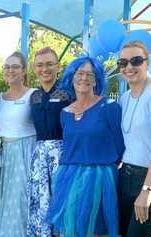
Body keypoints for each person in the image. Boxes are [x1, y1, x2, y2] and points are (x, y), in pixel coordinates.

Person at [46, 56, 124, 237]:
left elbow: (119, 146)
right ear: (71, 77)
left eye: (90, 74)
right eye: (80, 73)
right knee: (65, 230)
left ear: (96, 80)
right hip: (69, 177)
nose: (84, 78)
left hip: (99, 179)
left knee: (93, 232)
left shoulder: (110, 107)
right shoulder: (64, 113)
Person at [27, 47, 71, 237]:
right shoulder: (34, 96)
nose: (44, 69)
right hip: (39, 156)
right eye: (40, 65)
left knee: (61, 201)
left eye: (49, 64)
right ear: (34, 68)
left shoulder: (68, 94)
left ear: (58, 66)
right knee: (41, 201)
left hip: (62, 155)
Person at [0, 52, 37, 237]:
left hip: (26, 153)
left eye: (15, 67)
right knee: (7, 202)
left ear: (24, 71)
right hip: (6, 154)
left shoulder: (33, 94)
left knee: (23, 201)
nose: (10, 70)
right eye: (7, 67)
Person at [118, 41, 151, 237]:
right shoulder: (124, 97)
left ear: (147, 62)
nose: (129, 67)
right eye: (123, 62)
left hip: (146, 178)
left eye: (136, 60)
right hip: (125, 177)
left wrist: (147, 189)